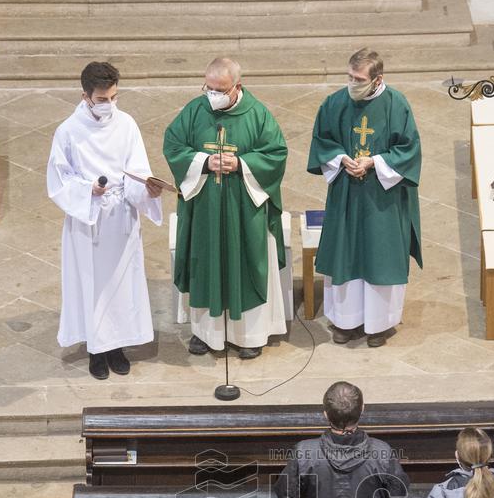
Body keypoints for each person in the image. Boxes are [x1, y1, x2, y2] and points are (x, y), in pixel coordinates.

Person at [163, 57, 288, 360]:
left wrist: (242, 163)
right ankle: (207, 335)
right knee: (207, 263)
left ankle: (249, 336)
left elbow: (276, 154)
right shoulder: (195, 111)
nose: (213, 95)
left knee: (246, 263)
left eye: (220, 89)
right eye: (209, 88)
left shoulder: (257, 114)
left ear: (237, 87)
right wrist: (204, 162)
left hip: (243, 209)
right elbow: (174, 146)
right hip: (206, 208)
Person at [47, 61, 163, 380]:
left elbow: (137, 167)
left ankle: (117, 345)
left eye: (114, 97)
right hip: (89, 220)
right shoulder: (68, 131)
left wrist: (147, 187)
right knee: (92, 284)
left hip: (121, 217)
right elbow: (59, 179)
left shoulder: (126, 124)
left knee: (121, 283)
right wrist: (90, 190)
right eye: (102, 99)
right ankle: (96, 350)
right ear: (85, 95)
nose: (109, 105)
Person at [307, 48, 422, 348]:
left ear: (377, 79)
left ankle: (379, 325)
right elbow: (322, 140)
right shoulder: (335, 103)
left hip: (383, 197)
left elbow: (409, 149)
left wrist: (374, 162)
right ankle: (346, 322)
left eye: (358, 79)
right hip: (346, 190)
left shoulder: (397, 105)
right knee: (346, 251)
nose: (352, 83)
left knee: (379, 255)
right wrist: (342, 159)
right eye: (349, 76)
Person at [274, 380, 410, 498]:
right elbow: (396, 495)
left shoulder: (304, 451)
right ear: (362, 410)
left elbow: (287, 497)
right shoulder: (382, 452)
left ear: (325, 414)